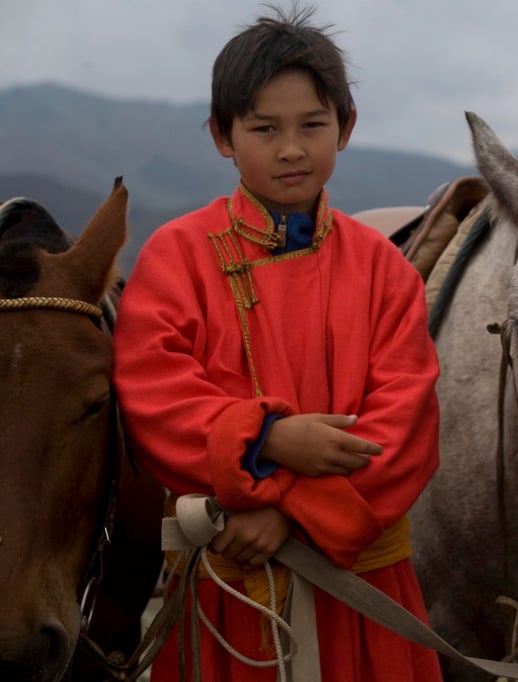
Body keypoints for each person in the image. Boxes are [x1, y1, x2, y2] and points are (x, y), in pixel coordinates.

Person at [112, 6, 443, 681]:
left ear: (345, 129)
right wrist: (266, 439)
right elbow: (152, 394)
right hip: (228, 583)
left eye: (312, 126)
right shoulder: (177, 256)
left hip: (363, 591)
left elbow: (404, 423)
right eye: (265, 129)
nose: (291, 149)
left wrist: (289, 517)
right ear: (222, 137)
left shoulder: (384, 269)